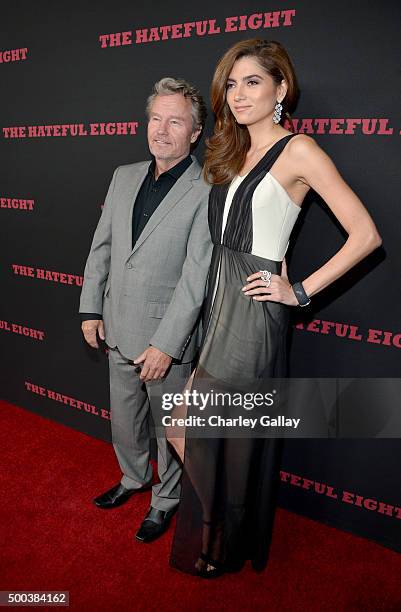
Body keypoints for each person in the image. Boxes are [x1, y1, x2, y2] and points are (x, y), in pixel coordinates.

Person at [166, 39, 382, 577]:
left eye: (253, 82)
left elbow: (365, 235)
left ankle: (221, 540)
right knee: (188, 426)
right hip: (220, 303)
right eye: (231, 84)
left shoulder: (299, 150)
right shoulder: (230, 150)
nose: (238, 95)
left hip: (253, 312)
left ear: (281, 88)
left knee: (225, 434)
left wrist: (300, 291)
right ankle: (221, 531)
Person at [79, 77, 213, 543]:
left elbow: (197, 276)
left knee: (167, 431)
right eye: (156, 118)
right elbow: (102, 248)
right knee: (124, 417)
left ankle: (165, 500)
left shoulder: (208, 187)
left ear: (195, 132)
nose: (161, 129)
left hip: (165, 342)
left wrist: (166, 344)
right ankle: (132, 478)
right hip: (117, 326)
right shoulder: (123, 175)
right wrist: (90, 309)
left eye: (175, 121)